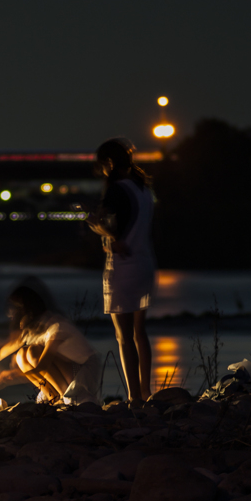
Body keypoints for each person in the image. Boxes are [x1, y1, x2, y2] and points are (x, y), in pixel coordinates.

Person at [86, 137, 156, 405]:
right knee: (141, 332)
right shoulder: (143, 188)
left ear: (110, 163)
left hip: (124, 269)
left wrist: (96, 225)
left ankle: (133, 397)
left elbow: (118, 239)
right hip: (146, 264)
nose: (102, 171)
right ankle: (146, 392)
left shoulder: (116, 189)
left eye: (103, 165)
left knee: (123, 337)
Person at [0, 284, 101, 404]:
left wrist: (7, 377)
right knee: (21, 355)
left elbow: (42, 367)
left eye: (14, 313)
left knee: (32, 352)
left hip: (83, 373)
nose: (12, 318)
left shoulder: (56, 328)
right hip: (68, 371)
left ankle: (64, 398)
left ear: (27, 312)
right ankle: (53, 398)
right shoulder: (33, 331)